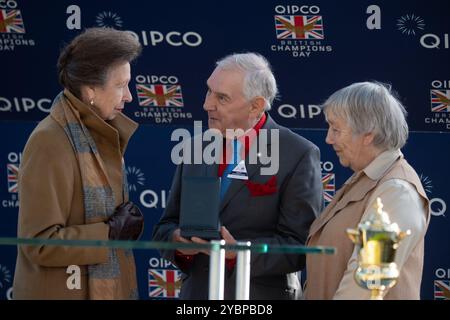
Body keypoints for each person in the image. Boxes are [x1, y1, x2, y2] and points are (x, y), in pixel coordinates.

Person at [152, 52, 323, 299]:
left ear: (256, 105)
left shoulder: (297, 154)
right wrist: (179, 242)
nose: (207, 104)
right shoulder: (194, 148)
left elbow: (299, 247)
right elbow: (165, 227)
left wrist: (238, 253)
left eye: (221, 97)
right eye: (209, 91)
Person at [13, 27, 144, 300]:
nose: (129, 96)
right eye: (120, 85)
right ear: (90, 89)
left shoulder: (101, 134)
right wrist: (108, 233)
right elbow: (38, 244)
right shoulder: (50, 141)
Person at [305, 82, 430, 300]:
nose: (328, 139)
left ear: (368, 134)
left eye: (336, 129)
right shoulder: (369, 179)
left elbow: (366, 283)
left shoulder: (396, 191)